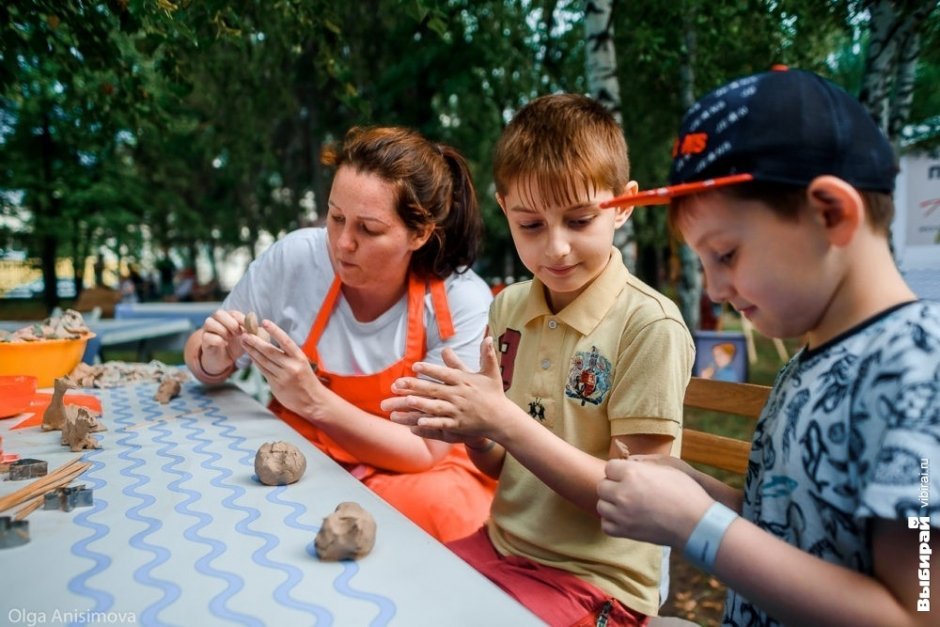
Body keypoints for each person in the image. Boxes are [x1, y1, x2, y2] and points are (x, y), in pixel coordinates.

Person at [595, 67, 939, 626]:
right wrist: (696, 491)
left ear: (831, 214)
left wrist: (695, 526)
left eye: (726, 254)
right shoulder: (807, 362)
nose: (713, 289)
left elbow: (919, 611)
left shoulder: (921, 368)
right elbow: (790, 531)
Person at [382, 94, 695, 625]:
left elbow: (635, 503)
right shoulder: (507, 308)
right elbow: (502, 465)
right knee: (390, 599)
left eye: (579, 220)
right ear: (505, 210)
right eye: (531, 225)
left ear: (623, 206)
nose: (556, 249)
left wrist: (502, 419)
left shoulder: (650, 326)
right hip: (500, 548)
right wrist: (478, 432)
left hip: (597, 582)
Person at [183, 126, 496, 543]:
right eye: (335, 217)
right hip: (304, 449)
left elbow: (424, 451)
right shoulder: (296, 258)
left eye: (368, 229)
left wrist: (314, 401)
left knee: (441, 509)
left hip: (408, 468)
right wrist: (212, 358)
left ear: (419, 234)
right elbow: (200, 357)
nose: (342, 243)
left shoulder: (462, 301)